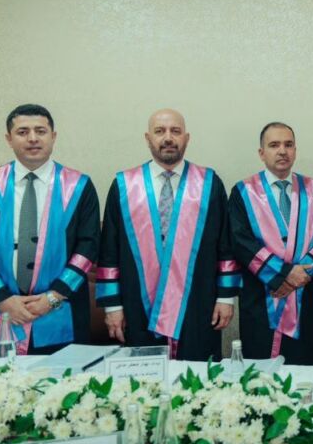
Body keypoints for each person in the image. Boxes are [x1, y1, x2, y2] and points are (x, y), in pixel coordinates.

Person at [96, 109, 240, 361]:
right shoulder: (124, 185)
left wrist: (226, 298)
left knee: (199, 377)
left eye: (175, 131)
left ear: (187, 138)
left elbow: (225, 246)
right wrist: (113, 306)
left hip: (198, 302)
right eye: (160, 131)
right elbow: (109, 251)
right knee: (144, 379)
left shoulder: (208, 183)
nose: (168, 138)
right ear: (148, 138)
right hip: (139, 304)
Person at [0, 104, 100, 354]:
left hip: (61, 310)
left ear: (53, 136)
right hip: (0, 310)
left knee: (64, 378)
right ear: (9, 139)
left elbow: (88, 247)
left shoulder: (79, 186)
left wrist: (52, 298)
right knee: (1, 379)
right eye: (23, 132)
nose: (33, 138)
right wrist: (3, 300)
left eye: (40, 131)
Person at [228, 122, 313, 364]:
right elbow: (240, 241)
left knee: (304, 366)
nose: (282, 151)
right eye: (274, 145)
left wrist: (300, 275)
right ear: (262, 153)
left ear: (295, 150)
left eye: (288, 145)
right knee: (259, 370)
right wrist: (283, 274)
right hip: (261, 295)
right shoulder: (244, 191)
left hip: (305, 293)